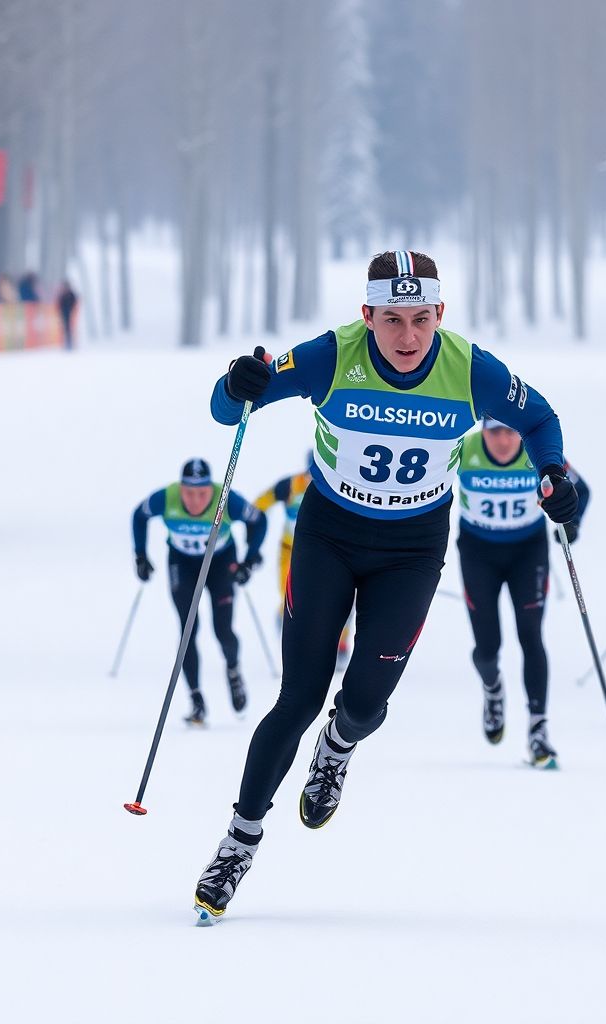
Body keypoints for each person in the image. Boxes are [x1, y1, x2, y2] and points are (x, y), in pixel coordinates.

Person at [193, 250, 579, 921]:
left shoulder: (468, 369)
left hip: (413, 546)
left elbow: (540, 419)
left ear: (441, 316)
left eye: (421, 320)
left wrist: (554, 473)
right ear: (366, 315)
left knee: (365, 704)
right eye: (392, 319)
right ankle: (239, 842)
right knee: (298, 697)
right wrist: (238, 382)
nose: (407, 337)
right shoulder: (330, 357)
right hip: (328, 537)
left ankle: (337, 750)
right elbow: (230, 411)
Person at [456, 417, 590, 768]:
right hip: (477, 551)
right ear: (483, 432)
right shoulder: (464, 447)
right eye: (494, 432)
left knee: (530, 635)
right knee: (487, 650)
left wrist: (571, 521)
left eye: (510, 432)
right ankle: (493, 689)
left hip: (527, 553)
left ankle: (538, 729)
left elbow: (581, 490)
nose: (502, 441)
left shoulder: (536, 453)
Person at [132, 458, 267, 724]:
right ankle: (196, 699)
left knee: (223, 630)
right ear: (180, 488)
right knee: (187, 630)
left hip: (220, 563)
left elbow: (258, 520)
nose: (194, 500)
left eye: (202, 493)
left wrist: (250, 559)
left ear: (210, 489)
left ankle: (233, 670)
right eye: (189, 493)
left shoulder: (226, 499)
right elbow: (139, 515)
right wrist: (140, 555)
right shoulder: (167, 497)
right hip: (182, 564)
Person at [254, 452, 353, 670]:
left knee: (338, 599)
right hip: (292, 550)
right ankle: (287, 623)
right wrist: (252, 527)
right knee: (291, 593)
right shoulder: (290, 485)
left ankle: (340, 644)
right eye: (310, 474)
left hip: (331, 551)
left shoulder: (340, 485)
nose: (312, 479)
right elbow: (260, 505)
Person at [56, 281, 78, 349]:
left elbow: (74, 302)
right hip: (64, 314)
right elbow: (59, 304)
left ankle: (70, 344)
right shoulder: (62, 294)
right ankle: (65, 344)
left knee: (69, 329)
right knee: (65, 329)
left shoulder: (71, 294)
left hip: (70, 314)